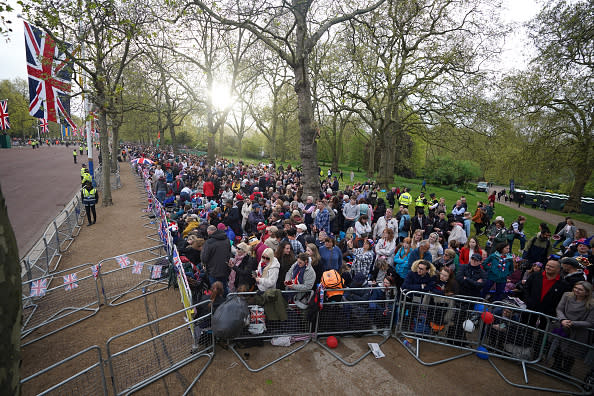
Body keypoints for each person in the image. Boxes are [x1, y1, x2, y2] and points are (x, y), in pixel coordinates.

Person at [553, 281, 594, 373]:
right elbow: (559, 309)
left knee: (571, 353)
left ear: (587, 292)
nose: (576, 290)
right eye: (576, 288)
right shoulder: (567, 295)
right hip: (562, 326)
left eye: (580, 289)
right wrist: (562, 320)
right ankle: (555, 367)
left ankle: (566, 371)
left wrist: (572, 323)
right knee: (558, 347)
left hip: (578, 332)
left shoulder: (591, 304)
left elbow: (590, 322)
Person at [201, 224, 232, 295]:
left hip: (213, 271)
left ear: (210, 232)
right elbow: (229, 253)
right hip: (225, 269)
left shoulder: (209, 242)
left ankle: (217, 303)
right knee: (224, 287)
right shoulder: (227, 240)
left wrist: (204, 264)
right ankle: (226, 302)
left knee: (215, 289)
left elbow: (204, 258)